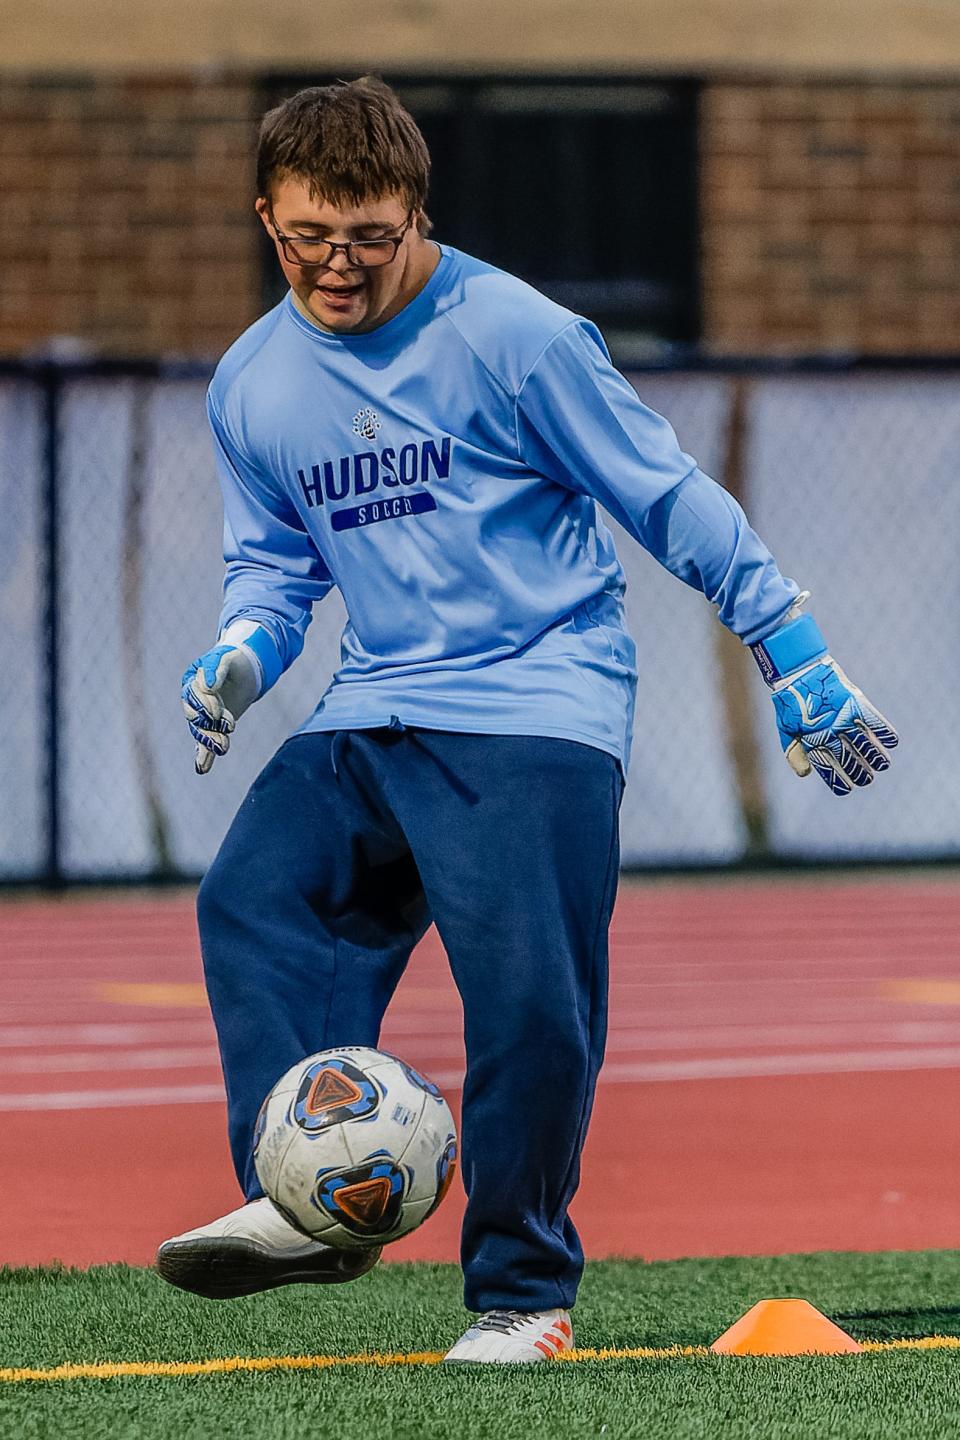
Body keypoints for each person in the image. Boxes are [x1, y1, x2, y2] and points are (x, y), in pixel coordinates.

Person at [155, 77, 898, 1362]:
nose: (338, 266)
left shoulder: (518, 335)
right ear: (265, 215)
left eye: (370, 238)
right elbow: (277, 573)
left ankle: (521, 1297)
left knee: (527, 1008)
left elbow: (667, 495)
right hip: (374, 702)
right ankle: (313, 1199)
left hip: (535, 702)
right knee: (256, 900)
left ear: (416, 214)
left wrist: (795, 650)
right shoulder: (251, 383)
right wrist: (240, 652)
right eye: (308, 238)